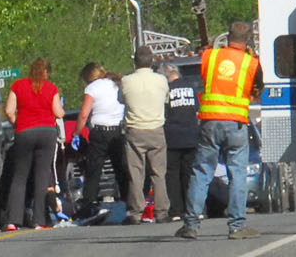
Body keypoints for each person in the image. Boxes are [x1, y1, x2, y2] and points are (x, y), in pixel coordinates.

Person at [176, 20, 264, 240]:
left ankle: (191, 225)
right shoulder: (251, 63)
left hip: (210, 121)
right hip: (235, 124)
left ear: (227, 37)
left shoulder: (211, 57)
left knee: (202, 171)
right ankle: (236, 227)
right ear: (248, 40)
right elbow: (257, 89)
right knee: (237, 174)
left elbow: (205, 74)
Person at [1, 58, 65, 230]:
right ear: (46, 73)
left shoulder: (18, 86)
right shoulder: (51, 88)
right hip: (46, 132)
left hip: (24, 132)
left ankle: (13, 220)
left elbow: (8, 110)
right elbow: (58, 113)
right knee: (42, 176)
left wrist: (17, 122)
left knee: (20, 176)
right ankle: (40, 220)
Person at [119, 47, 170, 222]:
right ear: (152, 61)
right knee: (158, 174)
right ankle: (162, 211)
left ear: (135, 62)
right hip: (156, 129)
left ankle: (135, 212)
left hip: (135, 130)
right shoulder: (161, 80)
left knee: (136, 174)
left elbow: (121, 100)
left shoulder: (126, 81)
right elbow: (166, 99)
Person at [74, 62, 130, 221]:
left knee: (94, 170)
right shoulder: (115, 84)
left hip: (100, 132)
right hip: (118, 131)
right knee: (121, 169)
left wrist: (76, 132)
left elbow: (84, 114)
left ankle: (88, 205)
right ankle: (129, 203)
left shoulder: (92, 88)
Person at [163, 59, 201, 223]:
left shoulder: (166, 90)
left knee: (172, 175)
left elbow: (163, 113)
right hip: (191, 136)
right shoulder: (191, 88)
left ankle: (176, 211)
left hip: (172, 136)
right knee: (190, 174)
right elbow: (196, 109)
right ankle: (193, 209)